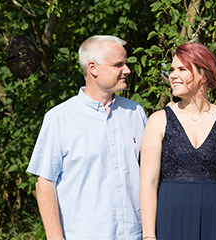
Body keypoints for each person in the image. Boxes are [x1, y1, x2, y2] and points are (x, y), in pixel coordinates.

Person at [27, 35, 147, 240]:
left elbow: (150, 175)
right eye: (118, 65)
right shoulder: (60, 119)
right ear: (93, 68)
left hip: (134, 235)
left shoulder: (136, 112)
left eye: (125, 64)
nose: (127, 70)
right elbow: (45, 182)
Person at [139, 42, 216, 240]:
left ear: (203, 75)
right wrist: (149, 236)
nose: (172, 75)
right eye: (172, 69)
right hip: (171, 216)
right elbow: (148, 183)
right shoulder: (158, 120)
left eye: (181, 69)